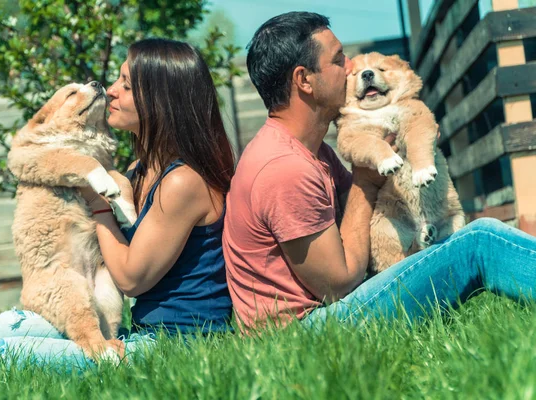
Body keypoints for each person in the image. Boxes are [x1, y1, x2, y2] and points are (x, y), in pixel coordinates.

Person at [0, 38, 234, 384]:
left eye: (126, 84)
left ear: (160, 97)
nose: (111, 91)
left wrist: (97, 204)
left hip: (177, 345)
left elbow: (132, 279)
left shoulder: (184, 182)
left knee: (2, 354)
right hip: (139, 333)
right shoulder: (140, 169)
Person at [223, 11, 536, 332]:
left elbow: (366, 214)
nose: (351, 68)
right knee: (479, 241)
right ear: (304, 80)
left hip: (321, 316)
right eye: (339, 59)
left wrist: (411, 134)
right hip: (303, 334)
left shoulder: (314, 152)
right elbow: (338, 283)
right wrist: (365, 181)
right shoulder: (283, 168)